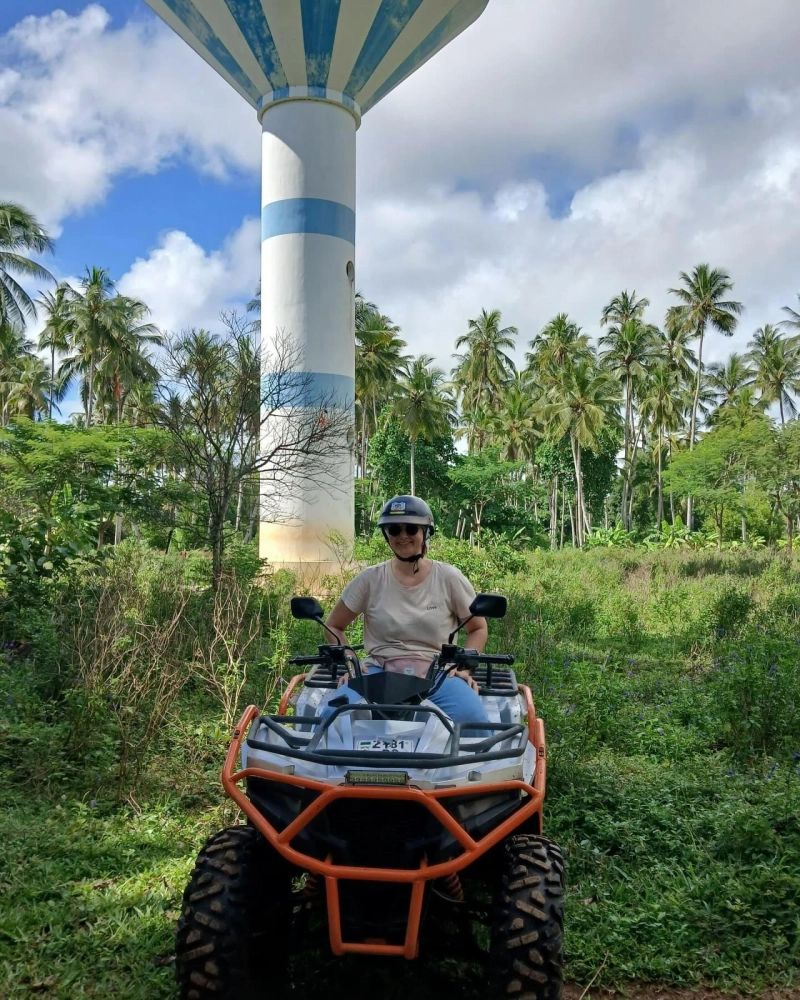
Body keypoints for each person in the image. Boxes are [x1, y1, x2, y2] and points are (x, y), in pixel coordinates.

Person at [323, 495, 490, 732]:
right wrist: (353, 665)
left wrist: (462, 668)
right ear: (386, 535)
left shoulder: (448, 578)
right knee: (332, 716)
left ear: (425, 533)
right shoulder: (370, 579)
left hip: (435, 672)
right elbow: (334, 625)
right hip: (379, 670)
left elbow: (478, 627)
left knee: (476, 722)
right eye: (394, 529)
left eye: (411, 529)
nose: (403, 536)